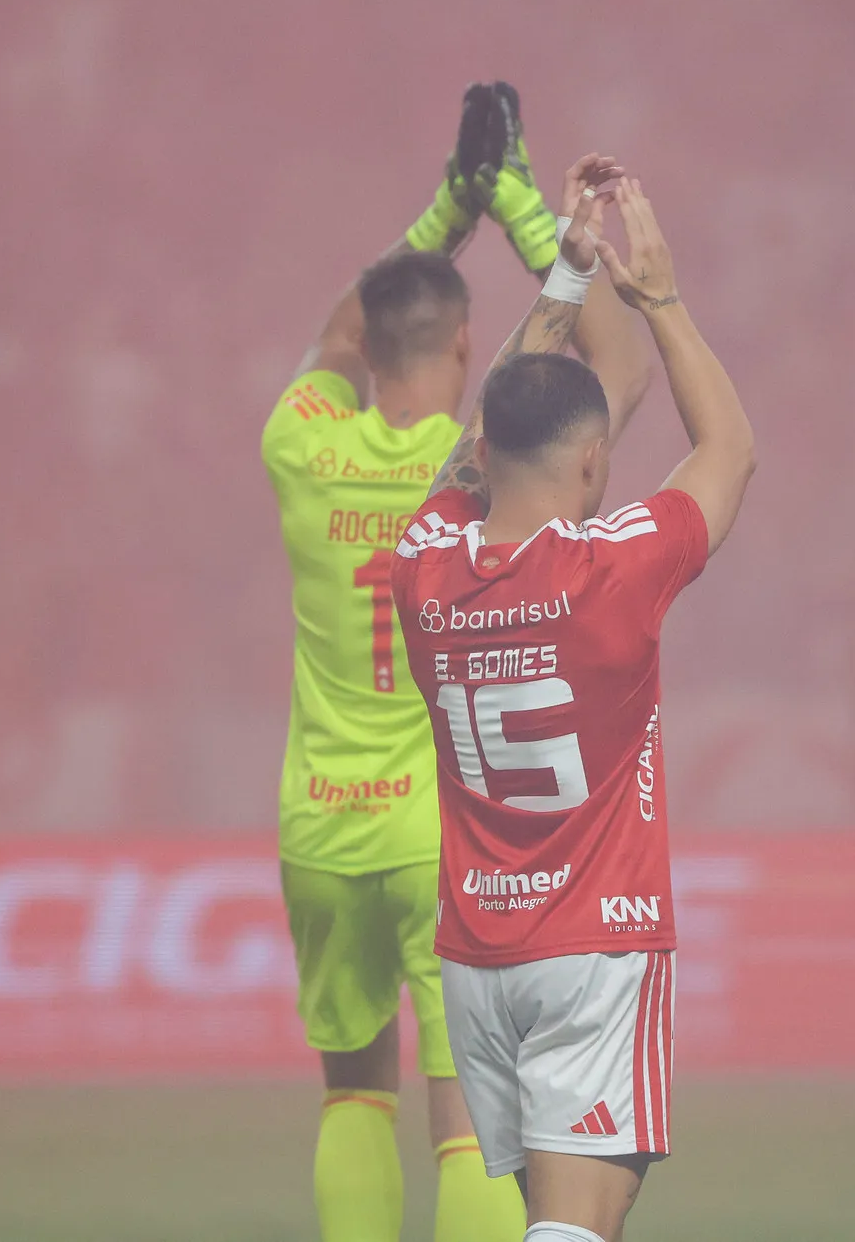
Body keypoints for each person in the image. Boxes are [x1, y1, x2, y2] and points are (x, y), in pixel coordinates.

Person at [261, 87, 650, 1242]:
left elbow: (340, 333)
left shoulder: (301, 443)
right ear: (469, 348)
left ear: (367, 352)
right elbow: (611, 361)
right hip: (441, 834)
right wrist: (523, 210)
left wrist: (445, 211)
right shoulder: (482, 466)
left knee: (350, 1096)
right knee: (471, 1121)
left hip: (321, 822)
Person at [390, 175, 755, 1242]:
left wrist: (563, 282)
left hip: (478, 960)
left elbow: (477, 441)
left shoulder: (421, 566)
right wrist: (657, 298)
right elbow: (729, 451)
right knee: (578, 1223)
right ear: (594, 459)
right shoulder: (611, 572)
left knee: (570, 1214)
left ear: (481, 452)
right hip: (591, 949)